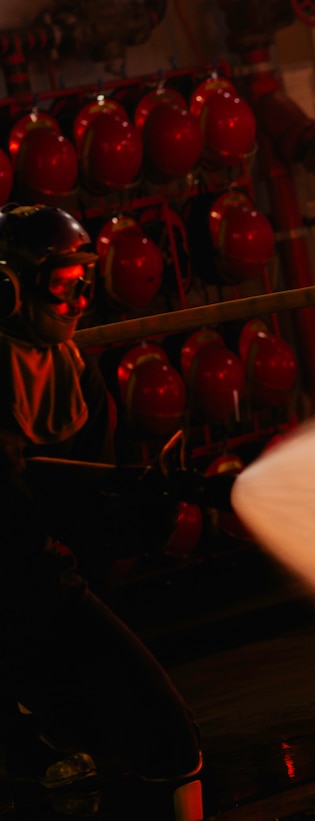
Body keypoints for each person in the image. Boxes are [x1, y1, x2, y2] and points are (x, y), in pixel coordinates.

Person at [0, 205, 205, 820]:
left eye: (86, 281)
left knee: (171, 741)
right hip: (22, 586)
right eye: (65, 284)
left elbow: (79, 512)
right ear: (8, 287)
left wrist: (142, 517)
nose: (81, 301)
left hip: (36, 587)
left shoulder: (73, 373)